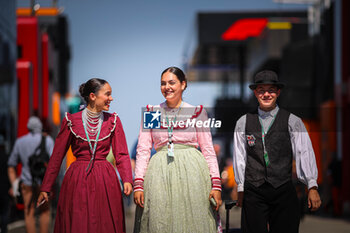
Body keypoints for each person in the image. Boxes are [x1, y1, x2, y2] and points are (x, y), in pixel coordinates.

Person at [37, 78, 133, 233]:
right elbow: (57, 156)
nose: (111, 98)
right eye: (107, 94)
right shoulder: (71, 120)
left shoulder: (113, 121)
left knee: (105, 224)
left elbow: (121, 154)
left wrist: (127, 179)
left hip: (105, 180)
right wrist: (46, 187)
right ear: (93, 96)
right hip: (77, 179)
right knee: (78, 222)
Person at [134, 66, 222, 233]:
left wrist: (216, 185)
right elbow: (143, 149)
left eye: (172, 82)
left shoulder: (197, 112)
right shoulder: (152, 112)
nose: (167, 87)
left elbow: (208, 149)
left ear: (183, 84)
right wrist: (138, 183)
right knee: (159, 220)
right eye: (163, 83)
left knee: (193, 220)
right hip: (159, 174)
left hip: (193, 174)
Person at [232, 70, 321, 233]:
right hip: (254, 191)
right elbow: (240, 157)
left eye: (271, 90)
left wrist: (312, 186)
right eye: (261, 90)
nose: (266, 94)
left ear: (278, 92)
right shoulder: (243, 122)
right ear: (255, 92)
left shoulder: (293, 121)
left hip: (283, 189)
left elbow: (304, 152)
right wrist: (240, 188)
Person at [8, 117, 54, 233]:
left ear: (28, 128)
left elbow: (11, 165)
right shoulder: (48, 140)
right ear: (40, 127)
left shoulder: (20, 142)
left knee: (29, 212)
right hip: (43, 183)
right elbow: (54, 164)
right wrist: (51, 184)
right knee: (45, 211)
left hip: (26, 183)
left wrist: (14, 185)